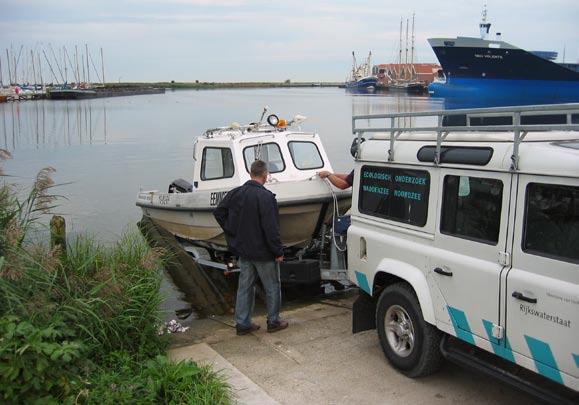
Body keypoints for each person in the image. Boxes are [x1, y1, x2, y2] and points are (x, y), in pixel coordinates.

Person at [213, 160, 289, 335]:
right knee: (272, 287)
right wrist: (278, 251)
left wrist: (232, 231)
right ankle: (273, 321)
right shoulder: (266, 197)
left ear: (250, 173)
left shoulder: (236, 193)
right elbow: (271, 229)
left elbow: (219, 212)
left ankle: (242, 323)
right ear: (265, 175)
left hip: (244, 251)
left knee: (245, 287)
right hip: (264, 253)